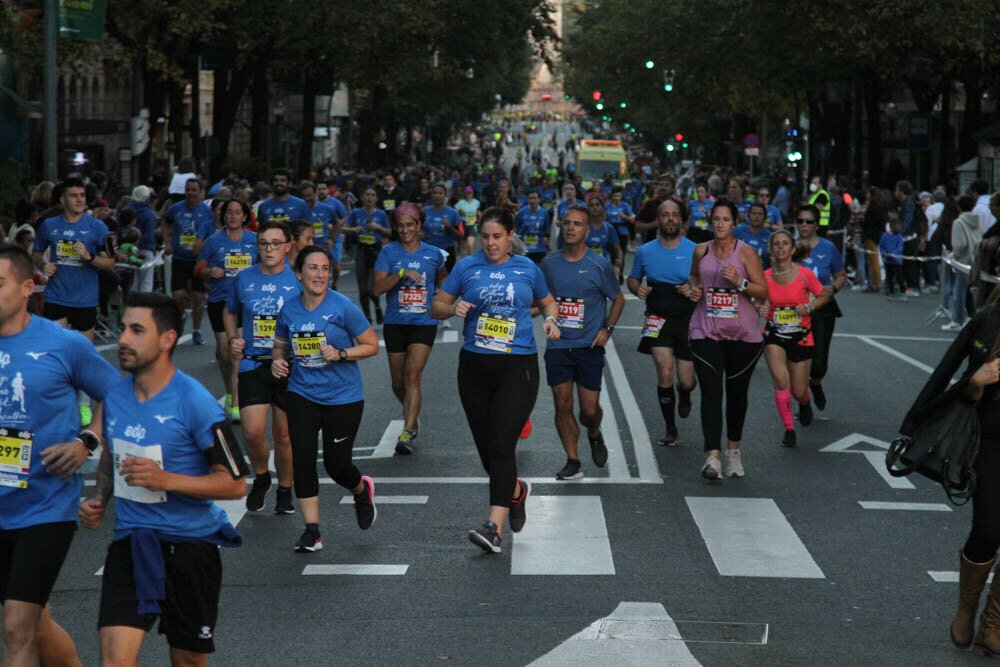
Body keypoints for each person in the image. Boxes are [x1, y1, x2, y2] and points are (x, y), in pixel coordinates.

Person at [79, 291, 246, 666]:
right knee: (114, 661)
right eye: (123, 328)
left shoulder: (195, 401)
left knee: (187, 660)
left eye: (137, 330)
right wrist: (100, 500)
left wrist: (165, 479)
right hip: (133, 542)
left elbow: (234, 483)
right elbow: (111, 453)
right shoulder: (115, 396)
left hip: (190, 548)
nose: (123, 339)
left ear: (167, 339)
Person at [0, 244, 119, 667]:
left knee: (16, 625)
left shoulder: (63, 344)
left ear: (28, 287)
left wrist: (85, 441)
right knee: (36, 623)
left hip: (44, 505)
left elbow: (119, 395)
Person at [431, 207, 560, 553]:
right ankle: (515, 492)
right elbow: (436, 306)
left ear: (510, 235)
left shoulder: (527, 268)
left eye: (498, 236)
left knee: (503, 445)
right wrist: (452, 308)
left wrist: (550, 321)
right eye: (485, 236)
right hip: (474, 366)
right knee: (489, 451)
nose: (491, 243)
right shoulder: (466, 267)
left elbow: (548, 303)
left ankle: (493, 527)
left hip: (518, 366)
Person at [897, 287, 1000, 655]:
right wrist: (976, 383)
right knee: (988, 528)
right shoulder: (986, 322)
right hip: (989, 438)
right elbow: (945, 372)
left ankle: (995, 622)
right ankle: (967, 606)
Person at [271, 247, 379, 553]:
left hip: (343, 397)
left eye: (325, 269)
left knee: (336, 465)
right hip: (302, 393)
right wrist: (277, 361)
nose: (320, 275)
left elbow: (371, 345)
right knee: (302, 462)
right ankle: (312, 532)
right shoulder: (289, 309)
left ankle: (361, 490)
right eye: (313, 269)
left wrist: (341, 353)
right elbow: (280, 346)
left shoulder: (342, 306)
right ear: (299, 274)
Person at [686, 197, 767, 479]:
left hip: (742, 334)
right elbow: (694, 279)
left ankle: (733, 451)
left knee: (736, 395)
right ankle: (713, 457)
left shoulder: (746, 254)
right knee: (710, 391)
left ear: (735, 224)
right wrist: (693, 291)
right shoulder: (700, 251)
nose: (720, 224)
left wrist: (740, 282)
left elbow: (763, 291)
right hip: (706, 330)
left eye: (726, 219)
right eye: (716, 219)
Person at [541, 203, 623, 480]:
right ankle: (573, 460)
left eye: (577, 224)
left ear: (587, 230)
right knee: (562, 403)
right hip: (559, 346)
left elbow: (618, 298)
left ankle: (594, 432)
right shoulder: (550, 264)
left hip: (589, 346)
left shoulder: (597, 264)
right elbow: (543, 300)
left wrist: (607, 330)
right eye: (566, 223)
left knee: (588, 411)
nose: (571, 228)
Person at [225, 221, 299, 513]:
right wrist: (234, 338)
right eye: (264, 243)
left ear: (287, 247)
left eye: (275, 244)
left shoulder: (297, 281)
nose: (269, 249)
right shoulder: (244, 279)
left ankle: (285, 491)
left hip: (286, 366)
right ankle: (262, 477)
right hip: (253, 364)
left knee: (284, 435)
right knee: (253, 432)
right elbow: (229, 309)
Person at [33, 177, 116, 427]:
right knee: (54, 353)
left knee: (82, 354)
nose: (79, 199)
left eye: (82, 195)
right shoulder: (49, 225)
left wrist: (89, 257)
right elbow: (37, 252)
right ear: (63, 199)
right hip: (57, 296)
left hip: (84, 299)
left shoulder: (97, 227)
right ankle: (57, 403)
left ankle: (83, 405)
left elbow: (111, 263)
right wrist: (42, 264)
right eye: (74, 195)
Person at [373, 204, 447, 455]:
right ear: (395, 227)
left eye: (410, 225)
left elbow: (444, 280)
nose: (405, 230)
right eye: (401, 226)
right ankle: (411, 414)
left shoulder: (433, 253)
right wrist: (401, 273)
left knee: (413, 376)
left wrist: (442, 299)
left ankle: (407, 431)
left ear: (419, 226)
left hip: (423, 322)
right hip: (395, 322)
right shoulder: (388, 252)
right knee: (398, 381)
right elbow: (376, 289)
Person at [628, 198, 698, 447]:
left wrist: (692, 288)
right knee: (665, 373)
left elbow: (704, 284)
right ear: (658, 220)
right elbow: (632, 279)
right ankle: (670, 429)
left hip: (688, 317)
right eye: (665, 215)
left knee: (686, 380)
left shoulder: (695, 250)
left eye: (674, 215)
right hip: (657, 316)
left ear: (681, 220)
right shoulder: (645, 251)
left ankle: (686, 392)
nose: (670, 219)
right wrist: (639, 289)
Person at [757, 230, 830, 447]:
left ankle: (805, 401)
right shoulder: (765, 276)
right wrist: (760, 307)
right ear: (771, 249)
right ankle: (789, 429)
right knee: (781, 380)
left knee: (798, 391)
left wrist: (809, 307)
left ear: (793, 249)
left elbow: (824, 295)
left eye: (785, 244)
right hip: (774, 335)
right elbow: (755, 299)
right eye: (776, 244)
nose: (780, 247)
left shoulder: (804, 274)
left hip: (801, 336)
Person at [195, 199, 258, 423]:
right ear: (224, 216)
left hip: (245, 302)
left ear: (244, 217)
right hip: (220, 300)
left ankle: (238, 403)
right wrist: (210, 270)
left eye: (237, 212)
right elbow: (198, 268)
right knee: (224, 354)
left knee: (236, 353)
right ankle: (231, 392)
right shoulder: (213, 241)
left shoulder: (254, 240)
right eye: (229, 212)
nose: (232, 216)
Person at [795, 204, 847, 411]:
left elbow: (841, 275)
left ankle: (815, 384)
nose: (803, 225)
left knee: (818, 363)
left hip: (823, 308)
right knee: (799, 358)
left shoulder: (828, 248)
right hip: (797, 309)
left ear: (816, 225)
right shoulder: (791, 248)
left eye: (808, 222)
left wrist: (832, 288)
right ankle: (803, 401)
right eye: (800, 221)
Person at [162, 178, 214, 345]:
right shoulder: (176, 209)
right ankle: (182, 313)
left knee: (198, 297)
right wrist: (168, 242)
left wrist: (206, 248)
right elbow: (164, 224)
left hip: (198, 260)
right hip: (179, 258)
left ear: (200, 192)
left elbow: (212, 234)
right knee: (178, 295)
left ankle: (197, 331)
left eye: (193, 190)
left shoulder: (207, 211)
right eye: (188, 189)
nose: (190, 193)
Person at [342, 187, 391, 324]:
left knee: (372, 288)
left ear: (376, 199)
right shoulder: (356, 213)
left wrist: (378, 227)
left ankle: (377, 307)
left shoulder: (381, 214)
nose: (369, 197)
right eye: (367, 195)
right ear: (363, 198)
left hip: (376, 252)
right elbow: (343, 228)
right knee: (363, 290)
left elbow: (389, 232)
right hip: (362, 251)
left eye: (372, 195)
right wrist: (354, 229)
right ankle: (367, 318)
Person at [943, 195, 984, 332]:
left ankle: (957, 320)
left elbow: (959, 245)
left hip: (963, 261)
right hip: (976, 259)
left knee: (959, 291)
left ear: (958, 206)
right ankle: (971, 316)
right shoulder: (977, 221)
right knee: (971, 291)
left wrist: (954, 256)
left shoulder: (959, 222)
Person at [124, 185, 159, 293]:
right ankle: (144, 306)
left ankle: (132, 305)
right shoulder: (149, 214)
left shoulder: (126, 210)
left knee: (135, 281)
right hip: (146, 250)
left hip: (127, 251)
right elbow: (149, 235)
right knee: (146, 281)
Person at [421, 183, 462, 273]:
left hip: (447, 252)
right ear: (431, 195)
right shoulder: (424, 211)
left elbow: (460, 235)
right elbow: (418, 230)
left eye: (440, 193)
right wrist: (420, 235)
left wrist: (450, 227)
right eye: (435, 193)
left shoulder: (453, 213)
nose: (437, 196)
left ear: (445, 195)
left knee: (444, 282)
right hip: (428, 251)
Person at [605, 187, 636, 282]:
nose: (617, 198)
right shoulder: (607, 205)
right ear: (612, 196)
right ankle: (614, 273)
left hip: (622, 231)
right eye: (615, 196)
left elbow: (633, 220)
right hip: (610, 231)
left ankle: (621, 273)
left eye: (619, 196)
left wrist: (625, 216)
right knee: (612, 254)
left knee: (621, 253)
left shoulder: (625, 205)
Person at [515, 190, 551, 263]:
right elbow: (516, 227)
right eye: (530, 198)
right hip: (525, 249)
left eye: (534, 198)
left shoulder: (544, 212)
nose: (532, 200)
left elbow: (547, 229)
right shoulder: (521, 212)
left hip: (540, 248)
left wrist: (546, 237)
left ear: (539, 199)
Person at [880, 213, 907, 299]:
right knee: (889, 277)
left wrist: (892, 254)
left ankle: (903, 292)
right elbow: (881, 246)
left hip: (897, 260)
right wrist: (884, 253)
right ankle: (891, 292)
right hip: (888, 260)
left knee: (899, 277)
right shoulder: (885, 236)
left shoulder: (899, 237)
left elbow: (900, 248)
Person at [455, 186, 481, 257]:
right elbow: (455, 212)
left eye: (470, 193)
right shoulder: (461, 202)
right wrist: (460, 212)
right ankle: (463, 262)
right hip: (463, 224)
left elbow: (478, 211)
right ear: (465, 193)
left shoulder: (476, 202)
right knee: (463, 246)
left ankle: (470, 262)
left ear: (472, 193)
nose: (469, 194)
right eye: (467, 193)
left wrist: (479, 214)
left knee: (470, 244)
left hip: (473, 224)